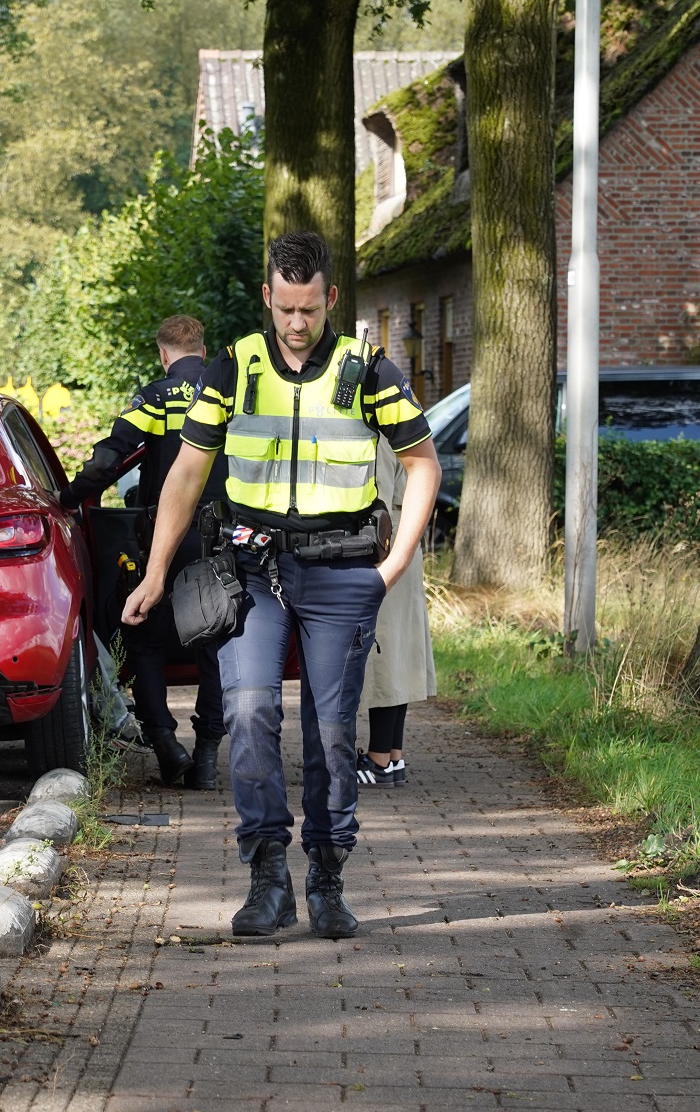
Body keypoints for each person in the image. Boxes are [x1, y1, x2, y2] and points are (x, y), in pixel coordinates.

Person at [121, 232, 439, 939]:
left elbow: (424, 465)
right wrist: (154, 573)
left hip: (340, 572)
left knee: (330, 736)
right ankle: (269, 874)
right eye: (285, 308)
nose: (297, 324)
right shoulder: (234, 366)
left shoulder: (369, 372)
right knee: (251, 715)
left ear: (330, 298)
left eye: (310, 309)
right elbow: (186, 473)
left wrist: (390, 570)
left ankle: (327, 877)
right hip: (253, 571)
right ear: (267, 298)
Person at [60, 315, 227, 788]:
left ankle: (166, 746)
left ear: (163, 355)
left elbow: (111, 458)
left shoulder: (156, 397)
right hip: (220, 541)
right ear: (202, 346)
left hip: (163, 541)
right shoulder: (229, 395)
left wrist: (67, 499)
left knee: (145, 639)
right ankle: (209, 757)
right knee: (213, 642)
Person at [358, 443, 437, 785]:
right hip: (405, 546)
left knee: (384, 654)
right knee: (398, 652)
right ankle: (392, 756)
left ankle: (377, 759)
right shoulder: (404, 429)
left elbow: (378, 503)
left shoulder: (377, 435)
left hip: (384, 551)